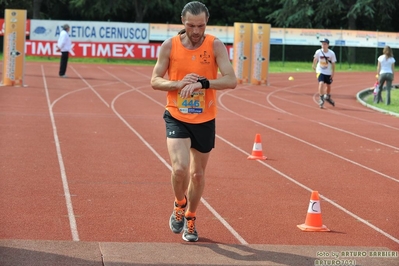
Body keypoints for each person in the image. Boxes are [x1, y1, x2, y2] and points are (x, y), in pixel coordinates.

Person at [150, 1, 237, 242]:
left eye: (201, 25)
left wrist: (204, 83)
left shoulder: (215, 45)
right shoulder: (170, 46)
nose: (196, 31)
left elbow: (231, 80)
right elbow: (155, 80)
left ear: (206, 22)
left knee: (197, 175)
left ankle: (190, 216)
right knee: (179, 169)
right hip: (176, 115)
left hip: (205, 118)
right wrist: (177, 84)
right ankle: (179, 203)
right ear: (182, 22)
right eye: (191, 25)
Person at [312, 38, 337, 108]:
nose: (323, 45)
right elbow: (315, 58)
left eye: (325, 44)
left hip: (328, 72)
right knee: (321, 83)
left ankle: (327, 96)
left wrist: (333, 73)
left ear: (328, 45)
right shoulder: (318, 52)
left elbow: (333, 64)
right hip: (320, 70)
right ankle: (321, 98)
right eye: (322, 44)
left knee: (328, 85)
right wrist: (313, 65)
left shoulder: (331, 53)